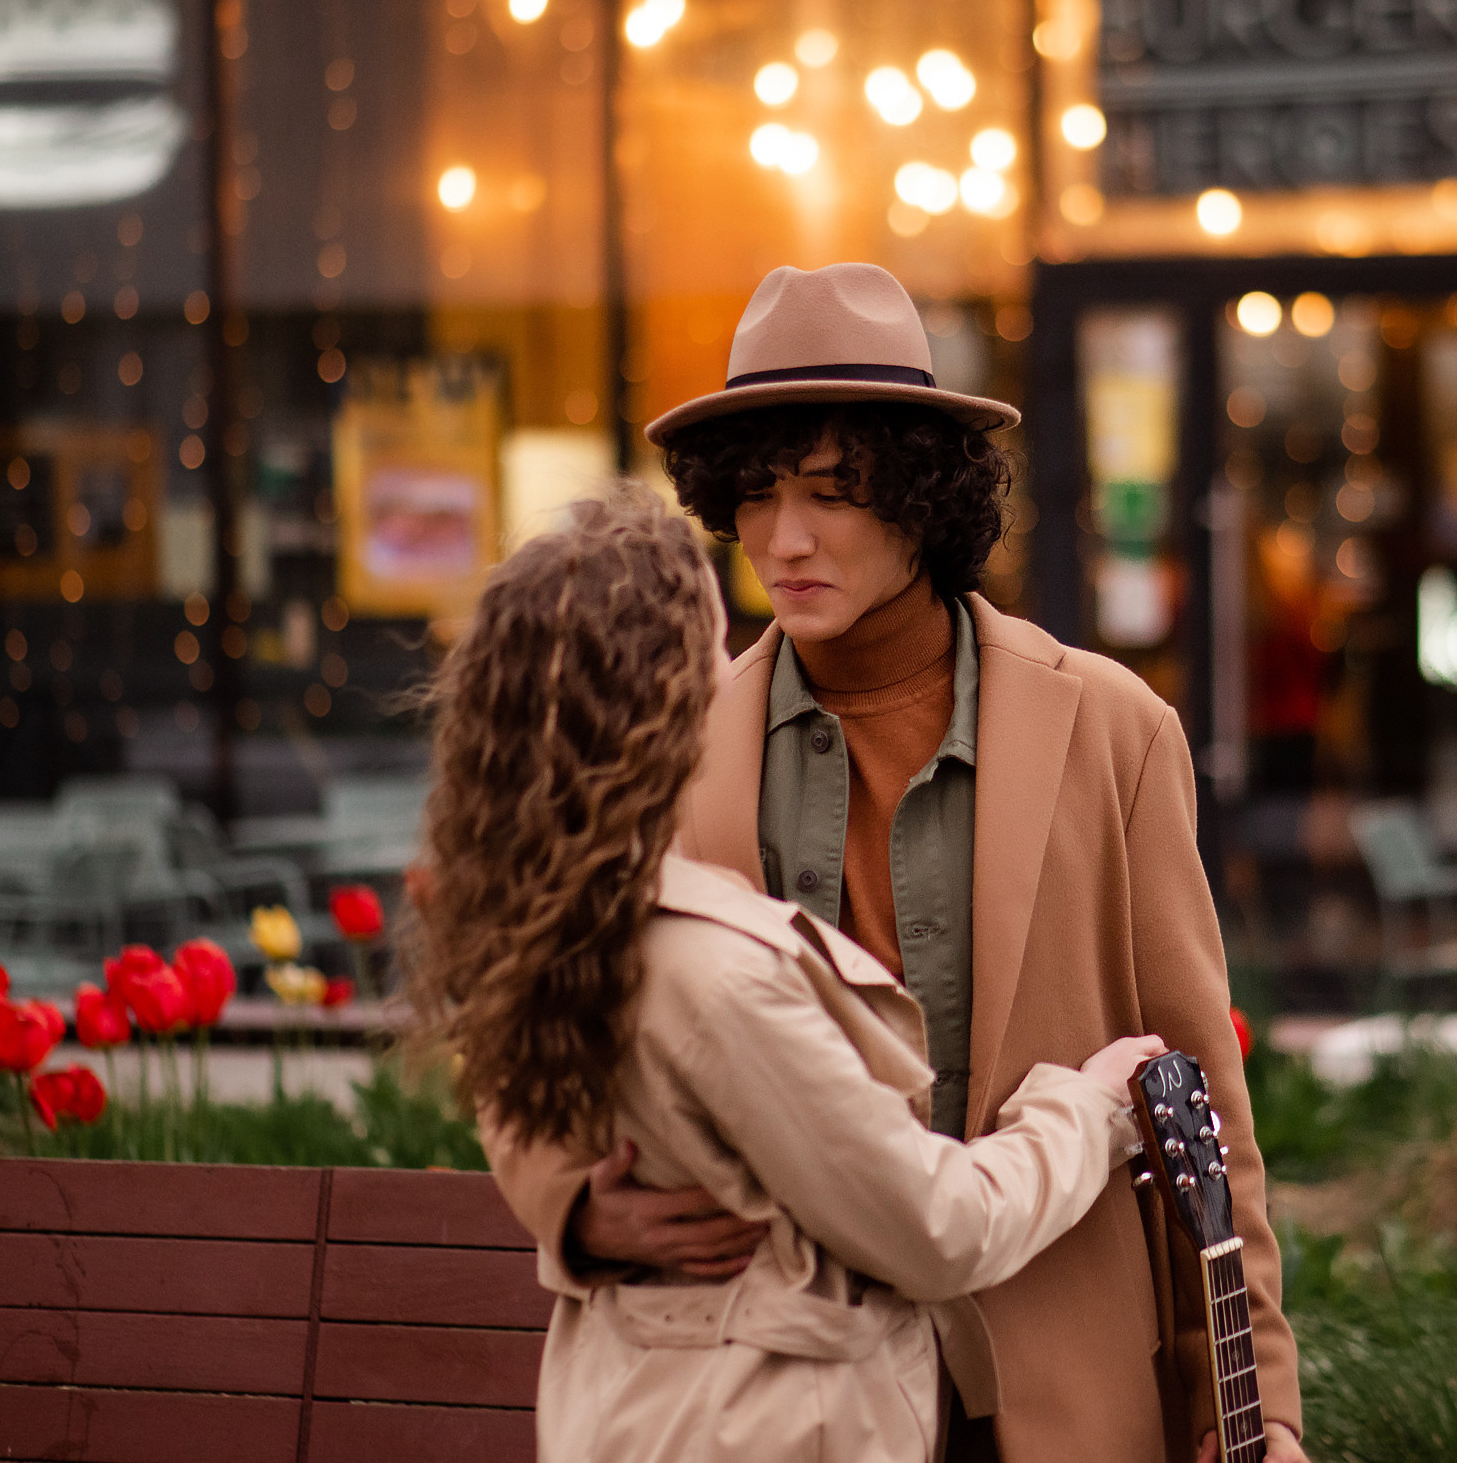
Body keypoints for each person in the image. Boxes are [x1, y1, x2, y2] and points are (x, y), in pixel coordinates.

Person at [488, 264, 1307, 1463]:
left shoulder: (1110, 728)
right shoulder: (674, 744)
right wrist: (574, 1205)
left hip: (1063, 1384)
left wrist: (1257, 1405)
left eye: (835, 492)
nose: (785, 537)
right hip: (776, 1400)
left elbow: (1198, 1100)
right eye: (757, 495)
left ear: (921, 499)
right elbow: (542, 1024)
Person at [414, 487, 1166, 1463]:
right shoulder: (712, 971)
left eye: (835, 493)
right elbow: (936, 1227)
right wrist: (1087, 1107)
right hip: (764, 1423)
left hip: (631, 1412)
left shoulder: (558, 914)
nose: (785, 539)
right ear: (670, 707)